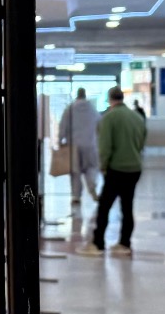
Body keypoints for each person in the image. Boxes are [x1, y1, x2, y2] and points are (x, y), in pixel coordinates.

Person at [78, 87, 146, 256]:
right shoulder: (137, 117)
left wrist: (103, 166)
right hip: (134, 168)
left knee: (104, 206)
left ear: (110, 99)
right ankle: (125, 243)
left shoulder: (109, 118)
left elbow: (105, 146)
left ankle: (98, 243)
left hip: (117, 169)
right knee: (127, 206)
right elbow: (142, 140)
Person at [58, 87, 101, 234]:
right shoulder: (92, 109)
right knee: (91, 168)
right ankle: (92, 185)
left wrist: (60, 140)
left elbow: (63, 125)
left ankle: (76, 196)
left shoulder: (70, 109)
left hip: (74, 144)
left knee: (75, 172)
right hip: (91, 144)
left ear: (77, 96)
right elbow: (99, 125)